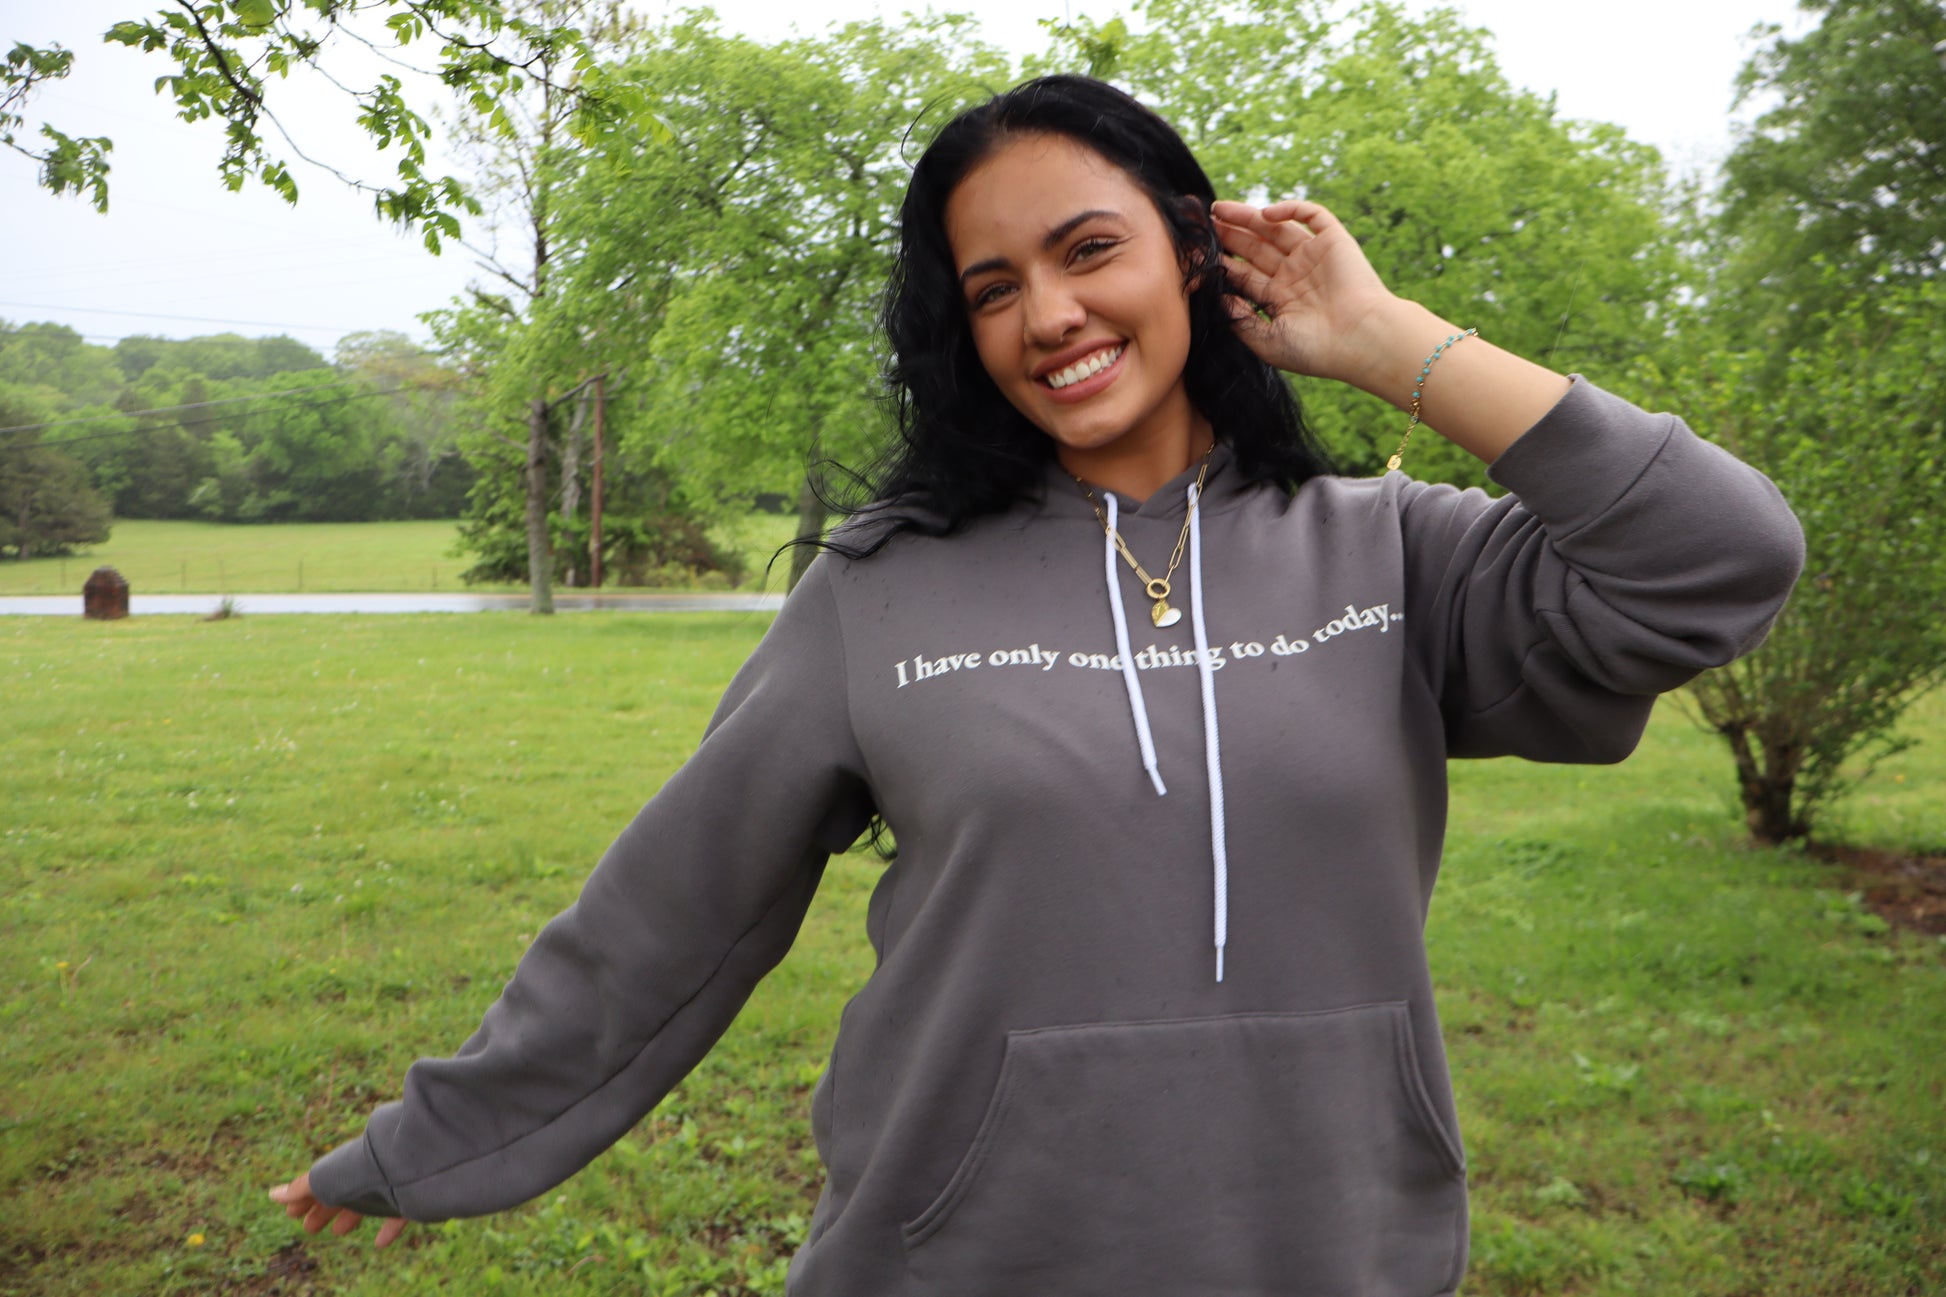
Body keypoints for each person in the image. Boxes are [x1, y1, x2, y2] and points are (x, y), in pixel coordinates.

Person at [269, 76, 1803, 1294]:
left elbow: (1720, 556)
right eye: (992, 286)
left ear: (1191, 253)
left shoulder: (1396, 555)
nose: (1049, 315)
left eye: (1087, 250)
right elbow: (676, 904)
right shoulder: (877, 590)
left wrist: (1386, 338)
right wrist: (446, 1135)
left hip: (1327, 1252)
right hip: (958, 1256)